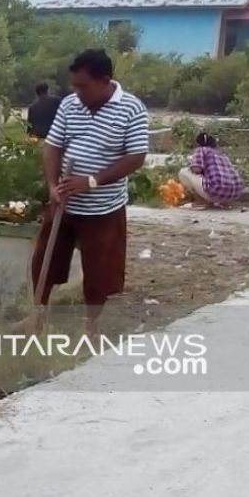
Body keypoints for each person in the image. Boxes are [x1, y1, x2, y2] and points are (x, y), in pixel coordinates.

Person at [34, 49, 148, 338]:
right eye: (74, 84)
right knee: (44, 263)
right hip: (65, 202)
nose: (77, 91)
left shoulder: (132, 108)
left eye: (83, 85)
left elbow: (136, 156)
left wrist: (92, 181)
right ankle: (37, 318)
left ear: (105, 80)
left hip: (103, 208)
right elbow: (53, 146)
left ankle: (92, 327)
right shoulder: (70, 105)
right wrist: (52, 186)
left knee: (99, 272)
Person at [179, 132, 243, 209]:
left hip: (215, 192)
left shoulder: (201, 150)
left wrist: (191, 166)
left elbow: (197, 169)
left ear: (198, 143)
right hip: (233, 194)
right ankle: (225, 204)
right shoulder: (221, 153)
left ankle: (200, 203)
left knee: (183, 172)